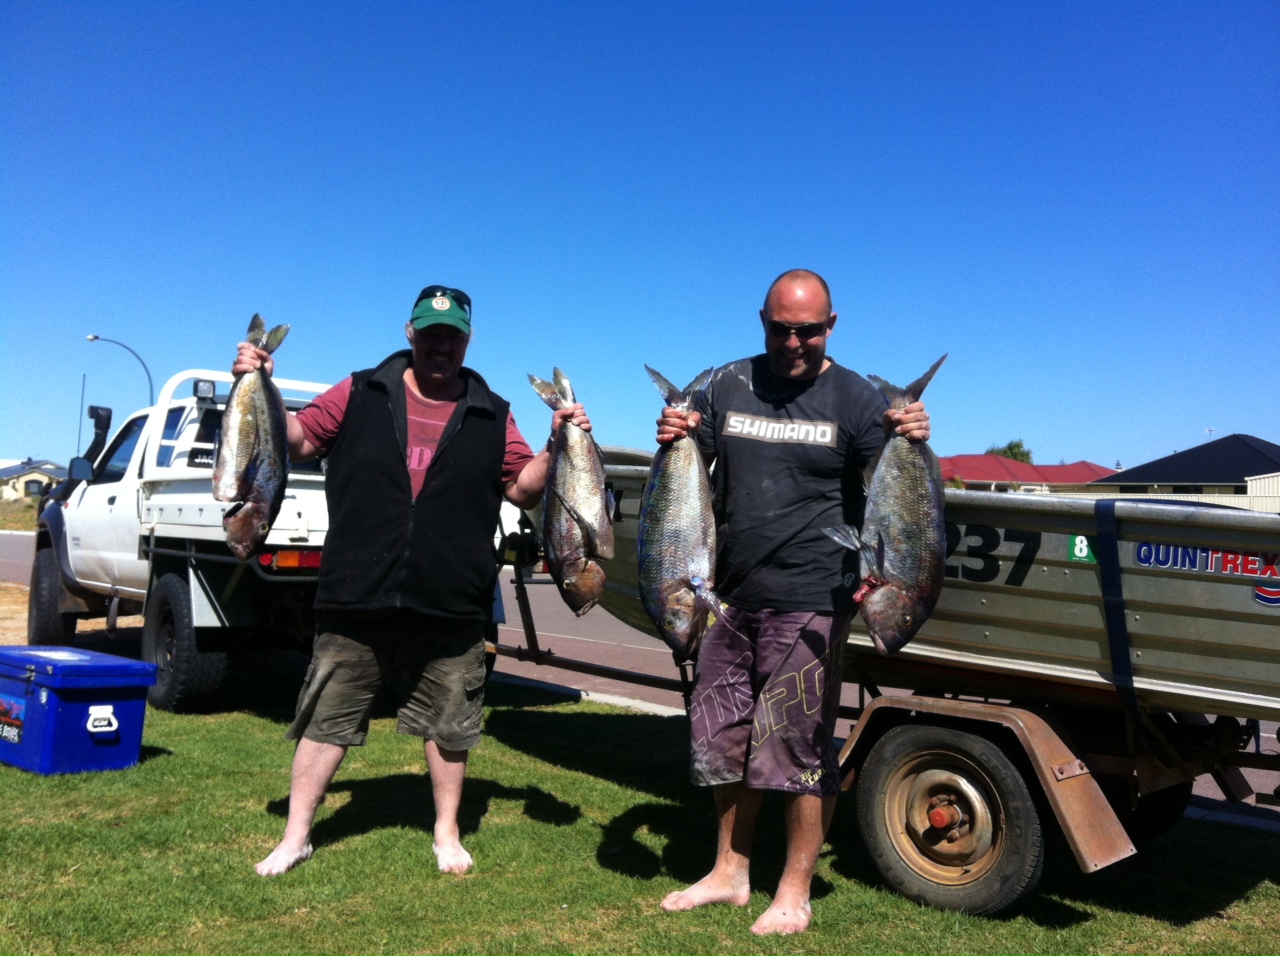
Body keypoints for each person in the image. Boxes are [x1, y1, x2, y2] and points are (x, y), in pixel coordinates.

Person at [244, 285, 591, 878]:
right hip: (358, 588)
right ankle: (296, 834)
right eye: (430, 333)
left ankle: (447, 832)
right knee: (327, 716)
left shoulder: (493, 410)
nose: (440, 345)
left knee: (450, 722)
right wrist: (260, 384)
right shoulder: (360, 390)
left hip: (451, 595)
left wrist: (559, 444)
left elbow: (524, 487)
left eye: (452, 335)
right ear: (410, 333)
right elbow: (297, 441)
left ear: (467, 340)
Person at [655, 269, 931, 935]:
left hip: (811, 596)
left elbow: (896, 489)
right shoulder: (728, 383)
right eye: (782, 328)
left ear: (832, 326)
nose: (794, 341)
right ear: (762, 322)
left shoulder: (858, 398)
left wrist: (917, 438)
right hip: (724, 593)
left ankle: (795, 889)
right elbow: (696, 463)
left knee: (798, 749)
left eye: (808, 330)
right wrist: (676, 432)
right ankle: (729, 872)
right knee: (725, 741)